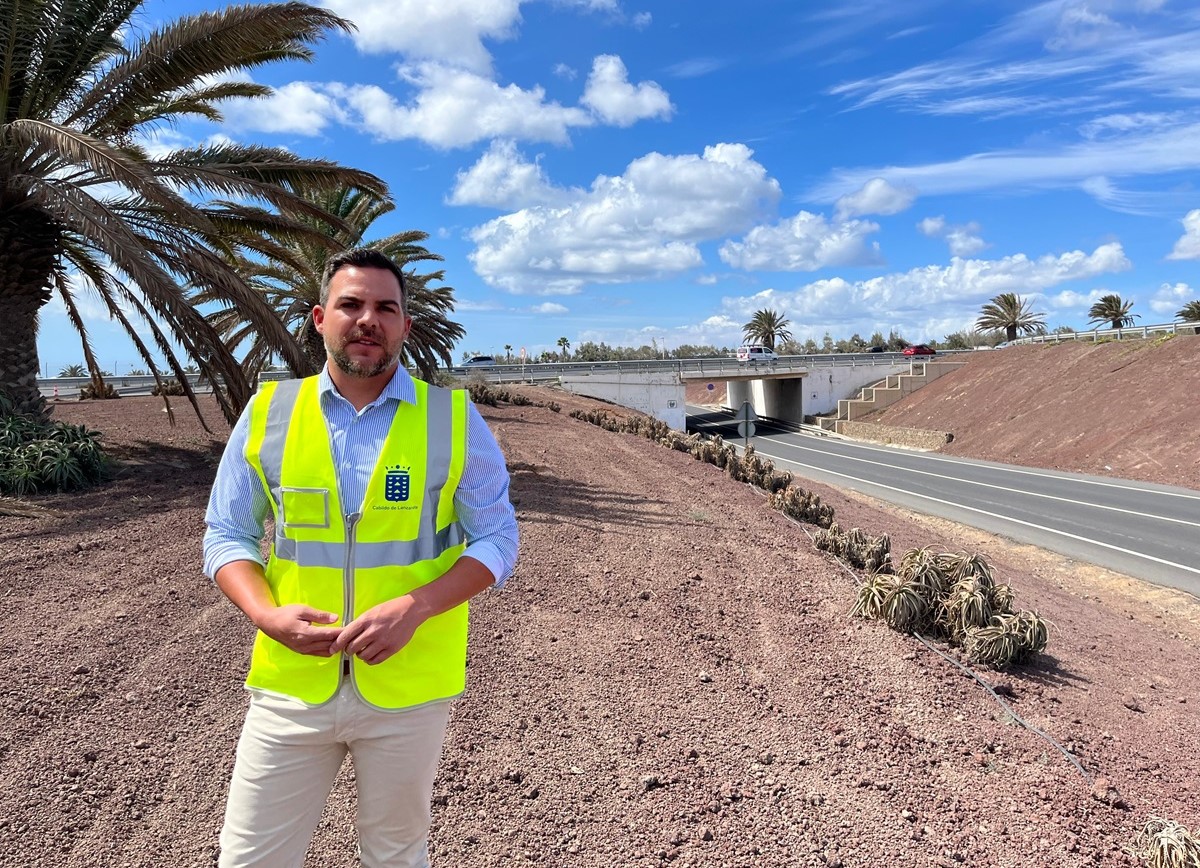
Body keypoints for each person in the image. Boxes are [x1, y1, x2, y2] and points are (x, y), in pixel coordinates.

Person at [203, 248, 519, 867]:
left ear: (406, 326)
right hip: (291, 683)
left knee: (395, 855)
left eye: (385, 308)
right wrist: (266, 616)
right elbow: (226, 533)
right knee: (249, 857)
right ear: (321, 318)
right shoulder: (268, 413)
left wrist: (417, 606)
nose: (367, 319)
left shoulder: (453, 419)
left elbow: (497, 538)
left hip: (408, 688)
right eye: (351, 304)